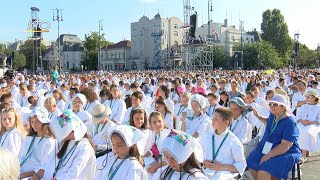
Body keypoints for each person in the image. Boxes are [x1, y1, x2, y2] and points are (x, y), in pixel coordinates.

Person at [247, 94, 302, 180]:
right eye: (270, 104)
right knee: (251, 161)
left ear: (283, 107)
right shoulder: (273, 115)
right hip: (269, 146)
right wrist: (259, 117)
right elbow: (269, 122)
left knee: (265, 169)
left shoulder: (289, 122)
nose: (272, 106)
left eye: (275, 104)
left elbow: (286, 145)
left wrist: (269, 155)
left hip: (286, 151)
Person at [35, 110, 96, 180]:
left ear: (73, 131)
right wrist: (37, 175)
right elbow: (49, 163)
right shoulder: (62, 142)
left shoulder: (85, 148)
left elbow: (73, 174)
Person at [201, 107, 246, 179]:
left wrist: (221, 167)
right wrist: (202, 162)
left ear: (226, 122)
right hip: (205, 170)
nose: (212, 121)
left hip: (223, 174)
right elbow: (198, 154)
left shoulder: (234, 141)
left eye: (216, 119)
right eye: (213, 118)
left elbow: (241, 165)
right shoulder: (207, 136)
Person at [18, 107, 55, 179]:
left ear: (44, 122)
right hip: (21, 171)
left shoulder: (49, 141)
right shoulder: (29, 138)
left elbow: (43, 165)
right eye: (32, 122)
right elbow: (21, 157)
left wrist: (24, 175)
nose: (34, 124)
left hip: (34, 176)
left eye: (37, 121)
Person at [144, 112, 170, 179]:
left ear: (163, 122)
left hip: (167, 165)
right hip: (158, 161)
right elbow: (154, 148)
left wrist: (156, 166)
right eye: (154, 122)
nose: (157, 124)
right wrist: (147, 153)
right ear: (151, 125)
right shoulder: (154, 134)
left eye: (159, 121)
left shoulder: (167, 136)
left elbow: (169, 160)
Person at [296, 89, 320, 162]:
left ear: (314, 98)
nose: (306, 98)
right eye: (306, 96)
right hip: (302, 123)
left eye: (308, 96)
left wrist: (311, 122)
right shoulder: (303, 106)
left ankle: (303, 154)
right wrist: (302, 121)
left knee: (307, 132)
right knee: (297, 130)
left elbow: (319, 120)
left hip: (313, 125)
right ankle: (296, 152)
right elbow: (298, 118)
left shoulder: (318, 107)